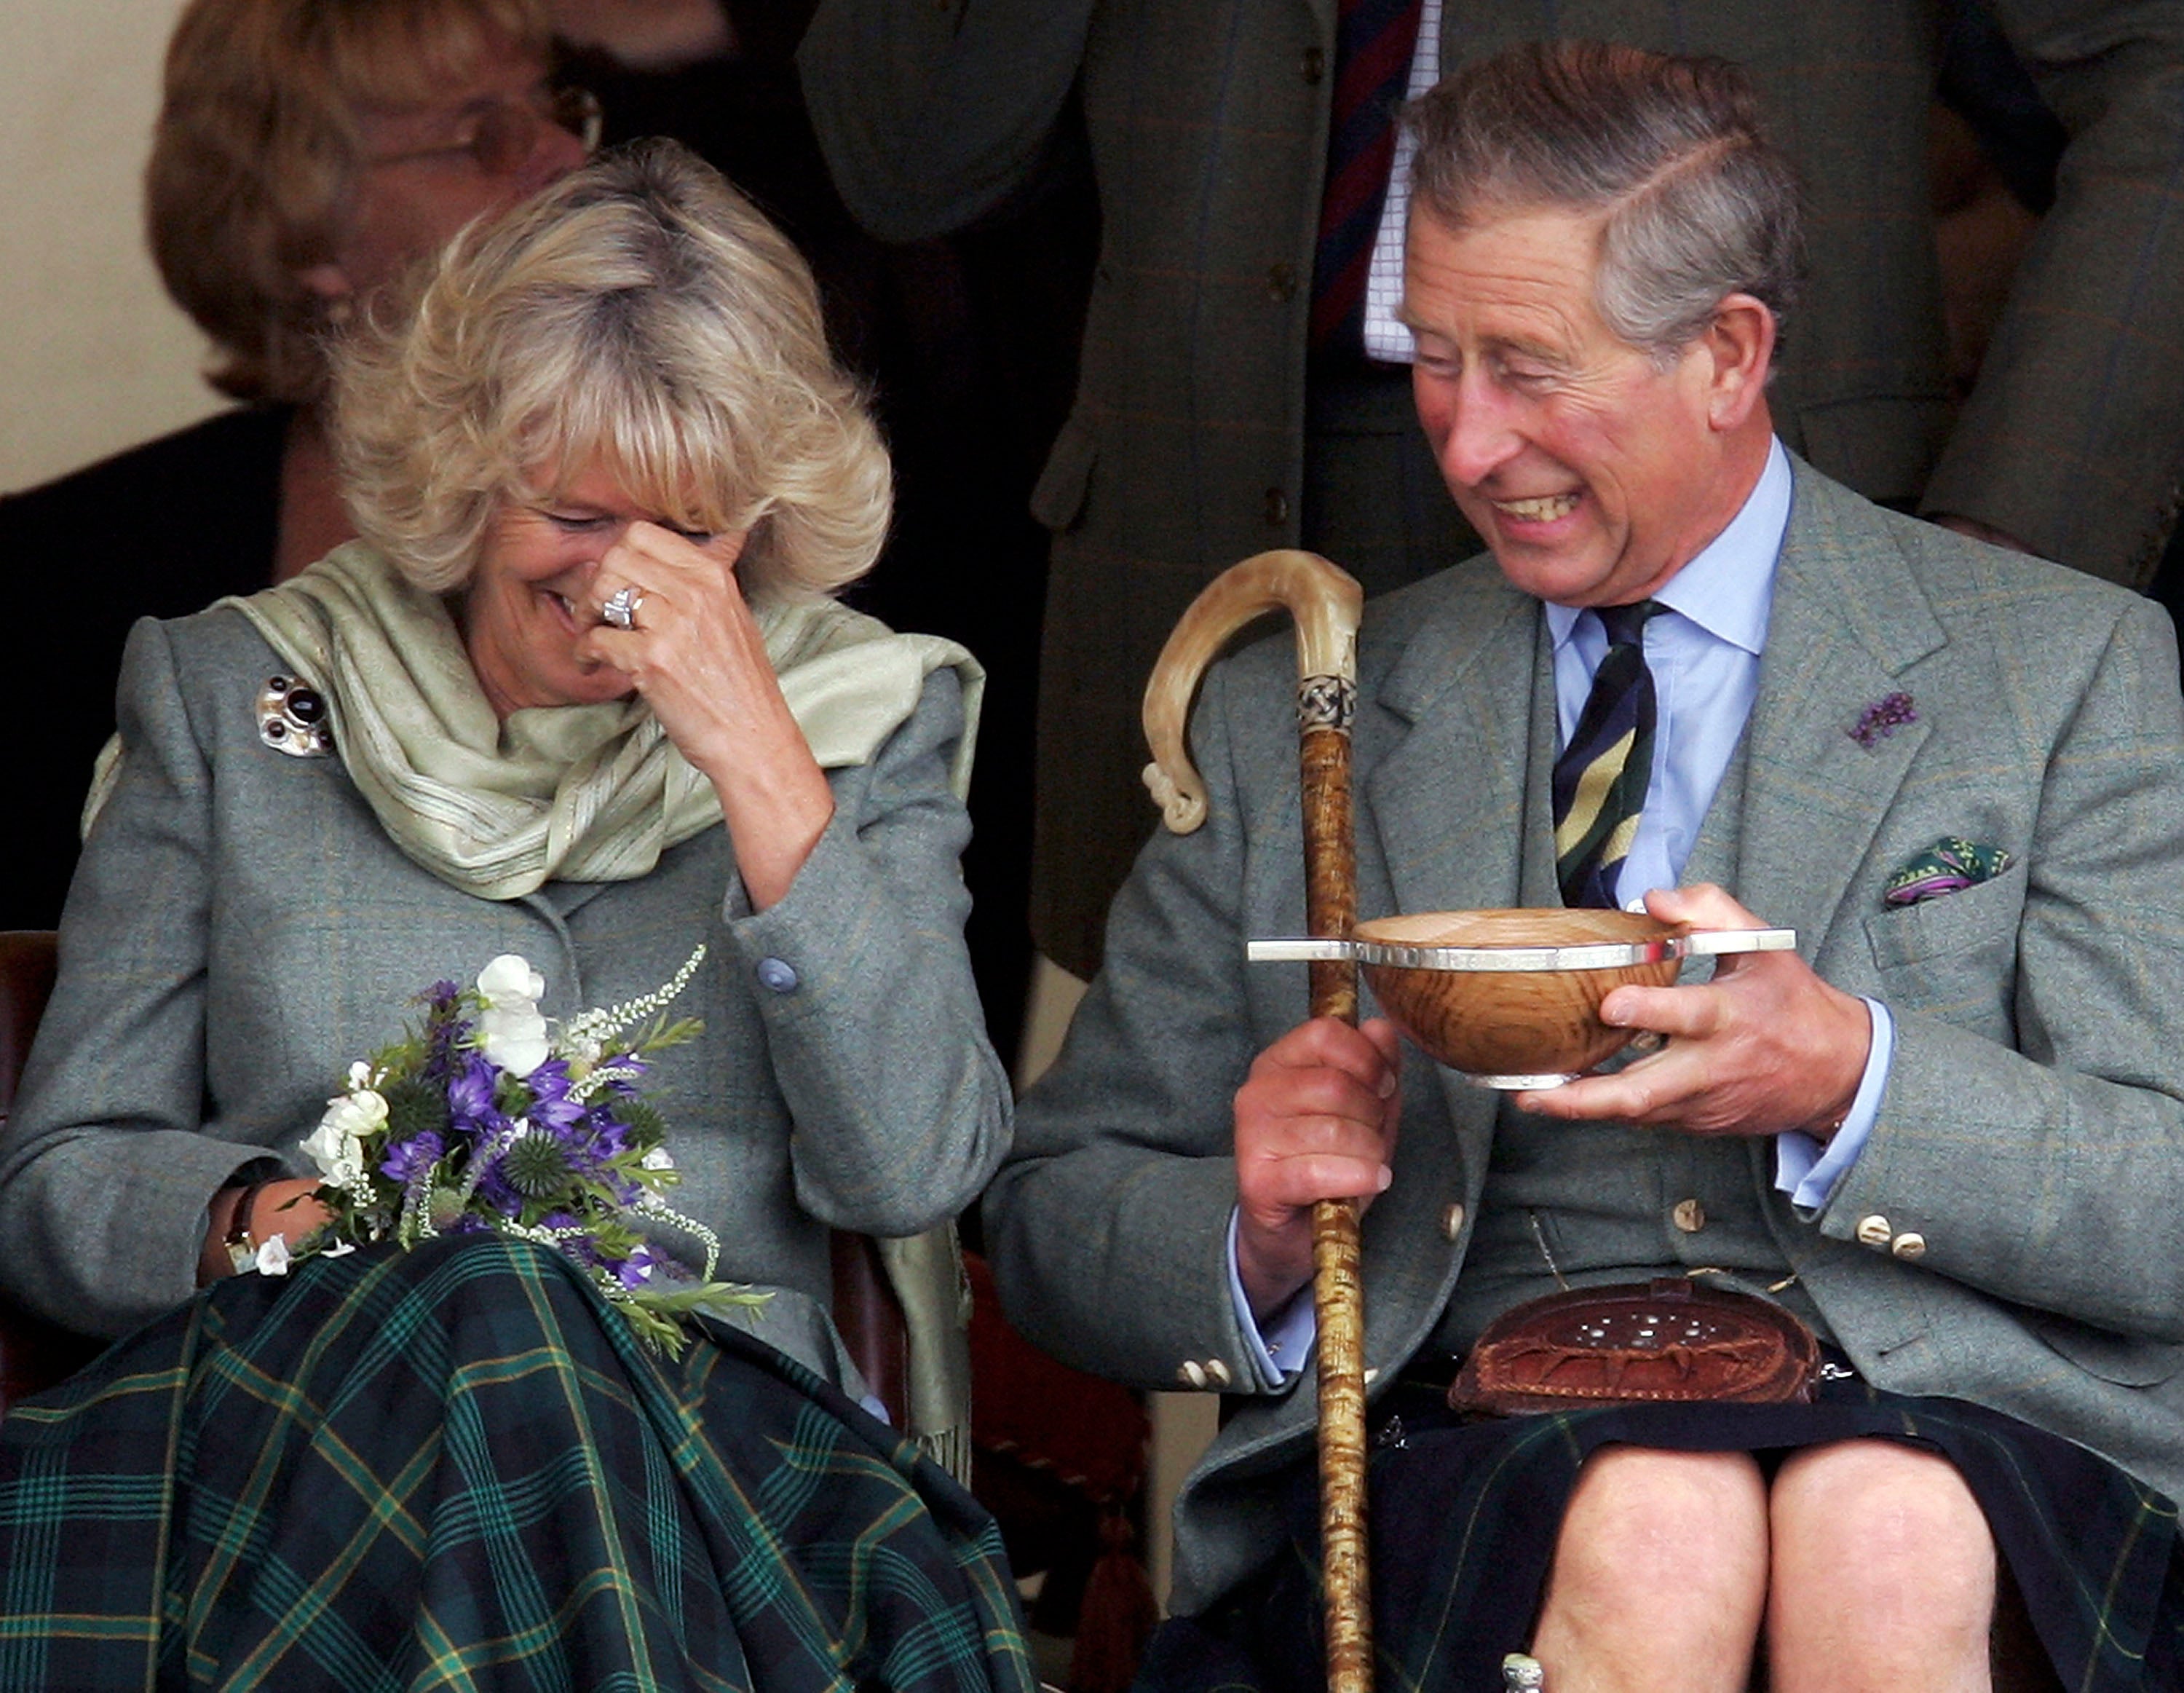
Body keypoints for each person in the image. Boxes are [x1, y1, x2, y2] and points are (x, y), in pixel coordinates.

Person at [985, 42, 2184, 1692]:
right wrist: (1253, 1227)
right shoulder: (1306, 718)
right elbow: (1054, 1217)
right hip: (1477, 1423)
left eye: (1530, 369)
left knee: (1883, 1524)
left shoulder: (2063, 671)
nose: (1467, 445)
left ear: (1726, 354)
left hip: (1960, 1420)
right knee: (1658, 1516)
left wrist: (1851, 1079)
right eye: (1433, 358)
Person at [0, 141, 1031, 1689]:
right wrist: (267, 1223)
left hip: (724, 1485)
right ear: (465, 471)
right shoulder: (232, 697)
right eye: (573, 511)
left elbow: (918, 1166)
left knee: (527, 1338)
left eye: (692, 530)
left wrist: (759, 755)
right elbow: (63, 1177)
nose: (627, 584)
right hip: (307, 1457)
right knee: (492, 1313)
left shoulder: (852, 723)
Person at [797, 0, 2184, 984]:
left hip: (1731, 545)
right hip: (1211, 552)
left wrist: (2002, 551)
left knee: (1769, 1236)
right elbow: (908, 160)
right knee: (1261, 1248)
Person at [0, 0, 595, 931]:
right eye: (484, 136)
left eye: (557, 110)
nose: (564, 154)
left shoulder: (723, 515)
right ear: (308, 228)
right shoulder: (51, 579)